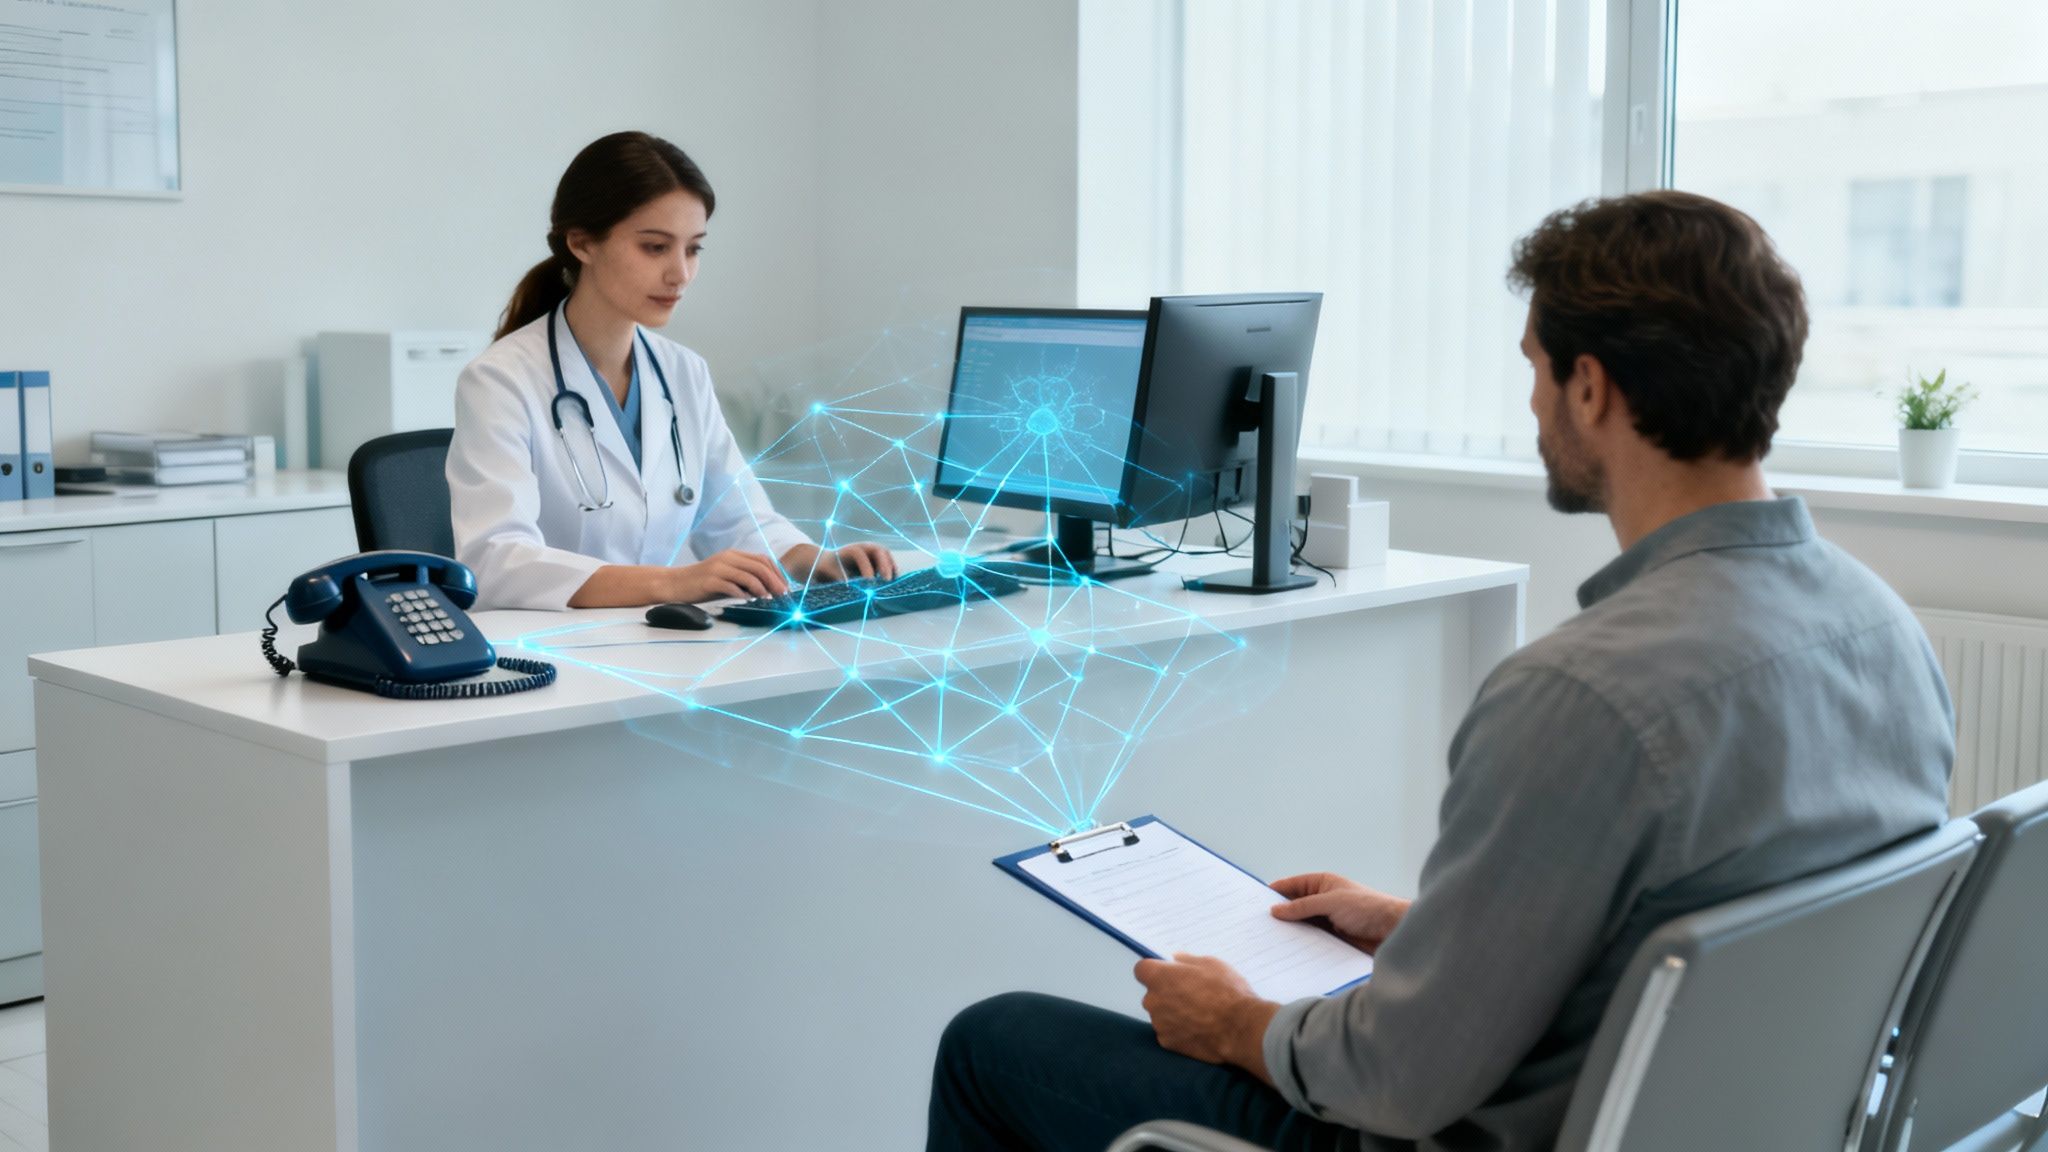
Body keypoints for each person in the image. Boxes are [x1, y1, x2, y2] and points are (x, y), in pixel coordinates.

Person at [925, 191, 1956, 1151]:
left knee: (993, 1039)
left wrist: (1237, 1023)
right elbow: (1675, 936)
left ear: (1588, 386)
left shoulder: (1579, 696)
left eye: (1533, 371)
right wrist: (1421, 932)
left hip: (1464, 1130)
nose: (1533, 408)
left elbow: (1397, 1079)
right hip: (1728, 1119)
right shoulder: (1879, 628)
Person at [447, 131, 895, 610]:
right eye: (656, 247)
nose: (680, 273)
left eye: (694, 249)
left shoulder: (683, 372)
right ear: (581, 243)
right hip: (550, 654)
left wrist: (815, 560)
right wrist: (674, 583)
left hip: (657, 648)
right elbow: (495, 561)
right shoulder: (501, 380)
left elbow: (737, 520)